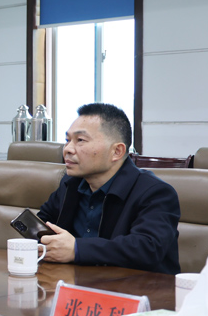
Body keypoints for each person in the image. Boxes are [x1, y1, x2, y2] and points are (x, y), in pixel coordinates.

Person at [38, 103, 180, 274]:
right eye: (67, 140)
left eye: (80, 140)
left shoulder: (156, 193)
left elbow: (147, 248)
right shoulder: (71, 183)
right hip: (77, 281)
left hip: (137, 286)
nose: (67, 149)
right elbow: (44, 221)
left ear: (117, 151)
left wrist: (77, 249)